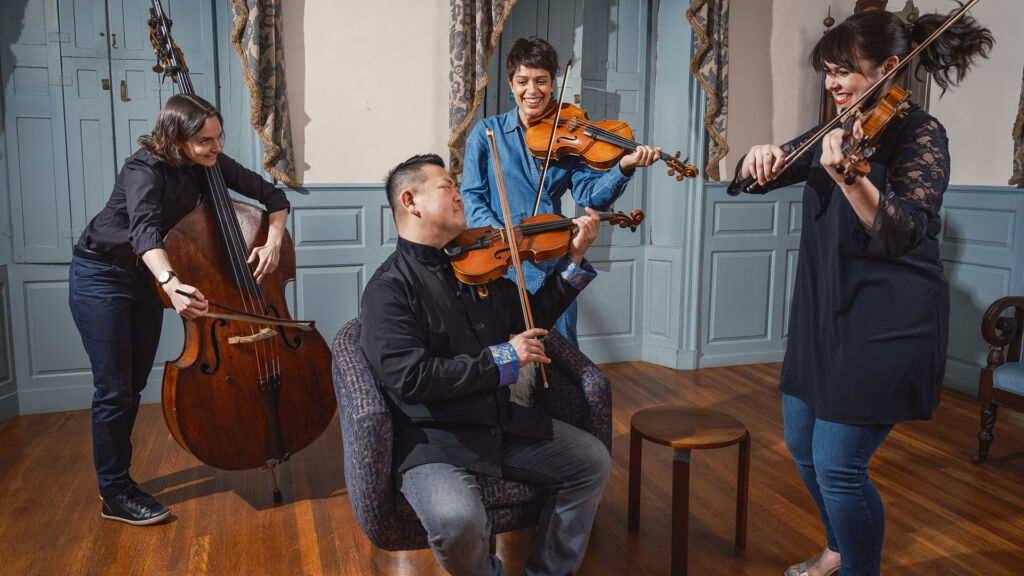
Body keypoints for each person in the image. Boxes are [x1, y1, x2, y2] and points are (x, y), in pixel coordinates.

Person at [728, 8, 992, 576]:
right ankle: (838, 547)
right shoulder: (835, 128)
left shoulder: (920, 132)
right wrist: (759, 156)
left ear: (889, 68)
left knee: (839, 467)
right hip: (825, 315)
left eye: (843, 70)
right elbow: (745, 182)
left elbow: (903, 231)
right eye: (827, 71)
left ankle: (857, 569)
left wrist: (853, 178)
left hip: (887, 322)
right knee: (803, 451)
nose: (832, 84)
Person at [360, 153, 610, 575]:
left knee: (591, 461)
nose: (460, 194)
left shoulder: (480, 268)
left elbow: (531, 316)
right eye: (447, 186)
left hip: (498, 422)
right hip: (433, 441)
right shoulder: (388, 290)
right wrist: (504, 357)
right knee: (458, 521)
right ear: (411, 201)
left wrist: (574, 259)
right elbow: (410, 378)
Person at [69, 93, 290, 525]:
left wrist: (274, 240)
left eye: (219, 136)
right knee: (115, 389)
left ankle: (117, 482)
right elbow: (145, 232)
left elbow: (273, 196)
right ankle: (114, 492)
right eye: (205, 140)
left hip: (148, 277)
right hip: (104, 276)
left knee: (132, 384)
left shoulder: (208, 164)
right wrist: (170, 283)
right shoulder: (143, 170)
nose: (217, 147)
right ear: (176, 137)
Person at [460, 36, 660, 347]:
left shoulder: (565, 135)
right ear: (511, 85)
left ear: (553, 83)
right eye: (523, 81)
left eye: (541, 81)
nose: (532, 90)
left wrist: (623, 167)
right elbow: (472, 196)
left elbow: (590, 197)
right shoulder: (486, 134)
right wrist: (501, 234)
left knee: (564, 357)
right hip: (504, 266)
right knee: (514, 361)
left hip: (553, 263)